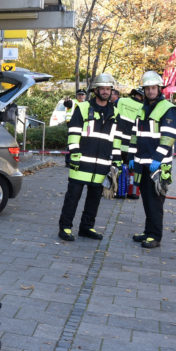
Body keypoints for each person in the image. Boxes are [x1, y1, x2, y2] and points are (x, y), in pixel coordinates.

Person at [58, 73, 121, 242]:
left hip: (102, 165)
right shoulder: (84, 107)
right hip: (81, 163)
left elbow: (117, 139)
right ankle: (65, 227)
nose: (106, 92)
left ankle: (86, 227)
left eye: (108, 89)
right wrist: (74, 154)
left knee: (94, 200)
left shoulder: (115, 112)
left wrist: (116, 161)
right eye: (103, 89)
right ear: (96, 90)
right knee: (72, 198)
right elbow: (73, 132)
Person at [127, 71, 176, 248]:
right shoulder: (143, 109)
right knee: (147, 199)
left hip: (159, 165)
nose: (150, 91)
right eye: (147, 88)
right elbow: (135, 135)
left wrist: (158, 158)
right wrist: (132, 155)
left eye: (153, 88)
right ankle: (148, 231)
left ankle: (155, 236)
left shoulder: (167, 108)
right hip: (142, 163)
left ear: (159, 89)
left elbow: (169, 136)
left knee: (155, 201)